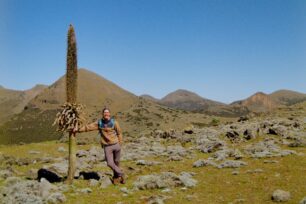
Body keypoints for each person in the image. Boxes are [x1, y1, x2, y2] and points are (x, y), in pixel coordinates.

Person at [75, 107, 125, 185]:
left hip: (116, 145)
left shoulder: (114, 122)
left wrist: (120, 143)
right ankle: (121, 173)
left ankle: (116, 178)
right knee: (110, 163)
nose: (106, 114)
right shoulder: (99, 123)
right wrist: (77, 129)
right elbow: (88, 127)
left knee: (117, 163)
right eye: (105, 112)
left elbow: (119, 133)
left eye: (107, 112)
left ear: (110, 114)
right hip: (107, 146)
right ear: (103, 114)